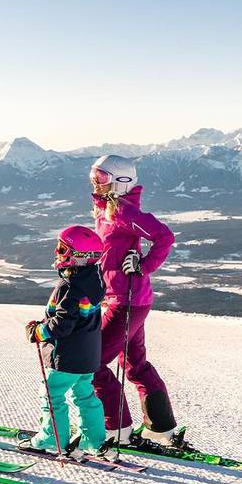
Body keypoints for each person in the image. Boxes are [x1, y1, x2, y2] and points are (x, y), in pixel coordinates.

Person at [88, 154, 184, 449]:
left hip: (126, 300)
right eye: (93, 176)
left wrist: (144, 264)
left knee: (92, 363)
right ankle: (161, 429)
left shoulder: (124, 213)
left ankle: (116, 429)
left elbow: (164, 236)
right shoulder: (107, 210)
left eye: (102, 178)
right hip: (128, 299)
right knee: (135, 365)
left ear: (121, 181)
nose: (95, 182)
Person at [21, 225, 108, 457]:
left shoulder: (69, 287)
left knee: (52, 394)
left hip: (66, 357)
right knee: (85, 394)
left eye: (62, 248)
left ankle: (52, 438)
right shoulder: (94, 281)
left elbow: (61, 325)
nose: (57, 253)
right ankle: (93, 439)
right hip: (88, 356)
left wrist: (37, 332)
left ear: (79, 256)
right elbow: (73, 318)